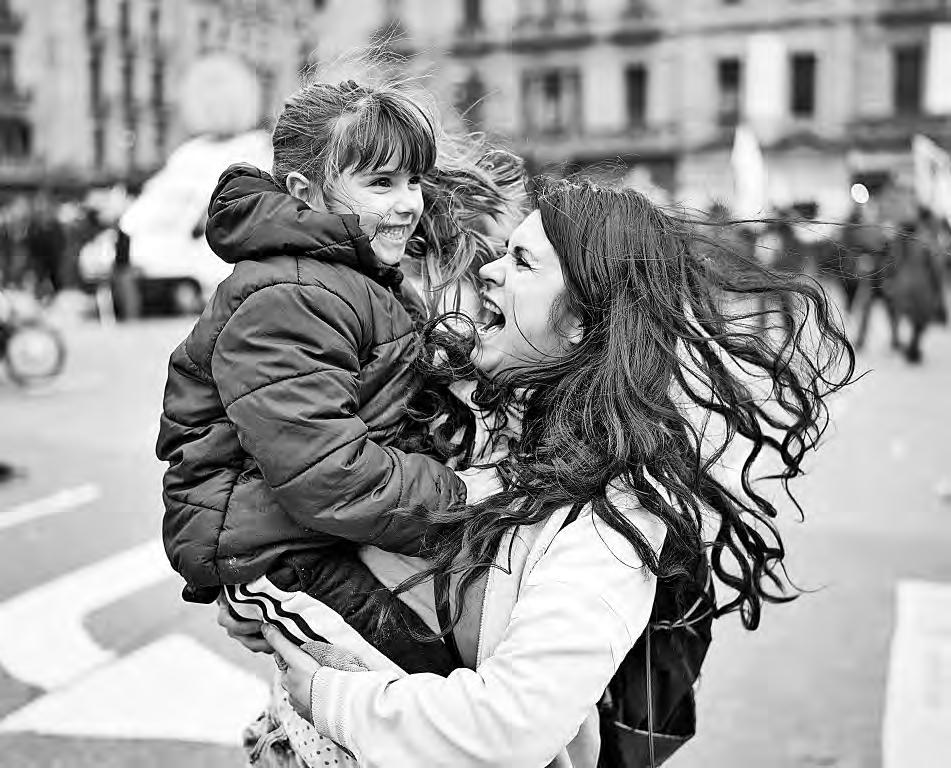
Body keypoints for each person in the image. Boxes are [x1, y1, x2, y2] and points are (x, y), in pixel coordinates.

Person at [221, 177, 856, 767]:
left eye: (522, 263)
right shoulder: (468, 410)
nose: (489, 272)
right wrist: (270, 607)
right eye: (504, 252)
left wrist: (327, 696)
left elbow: (511, 727)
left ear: (583, 322)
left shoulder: (614, 516)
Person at [157, 69, 524, 682]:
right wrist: (463, 498)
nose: (408, 203)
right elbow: (326, 472)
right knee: (428, 689)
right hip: (280, 552)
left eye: (414, 181)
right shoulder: (291, 294)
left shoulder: (352, 275)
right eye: (381, 183)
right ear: (305, 191)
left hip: (317, 532)